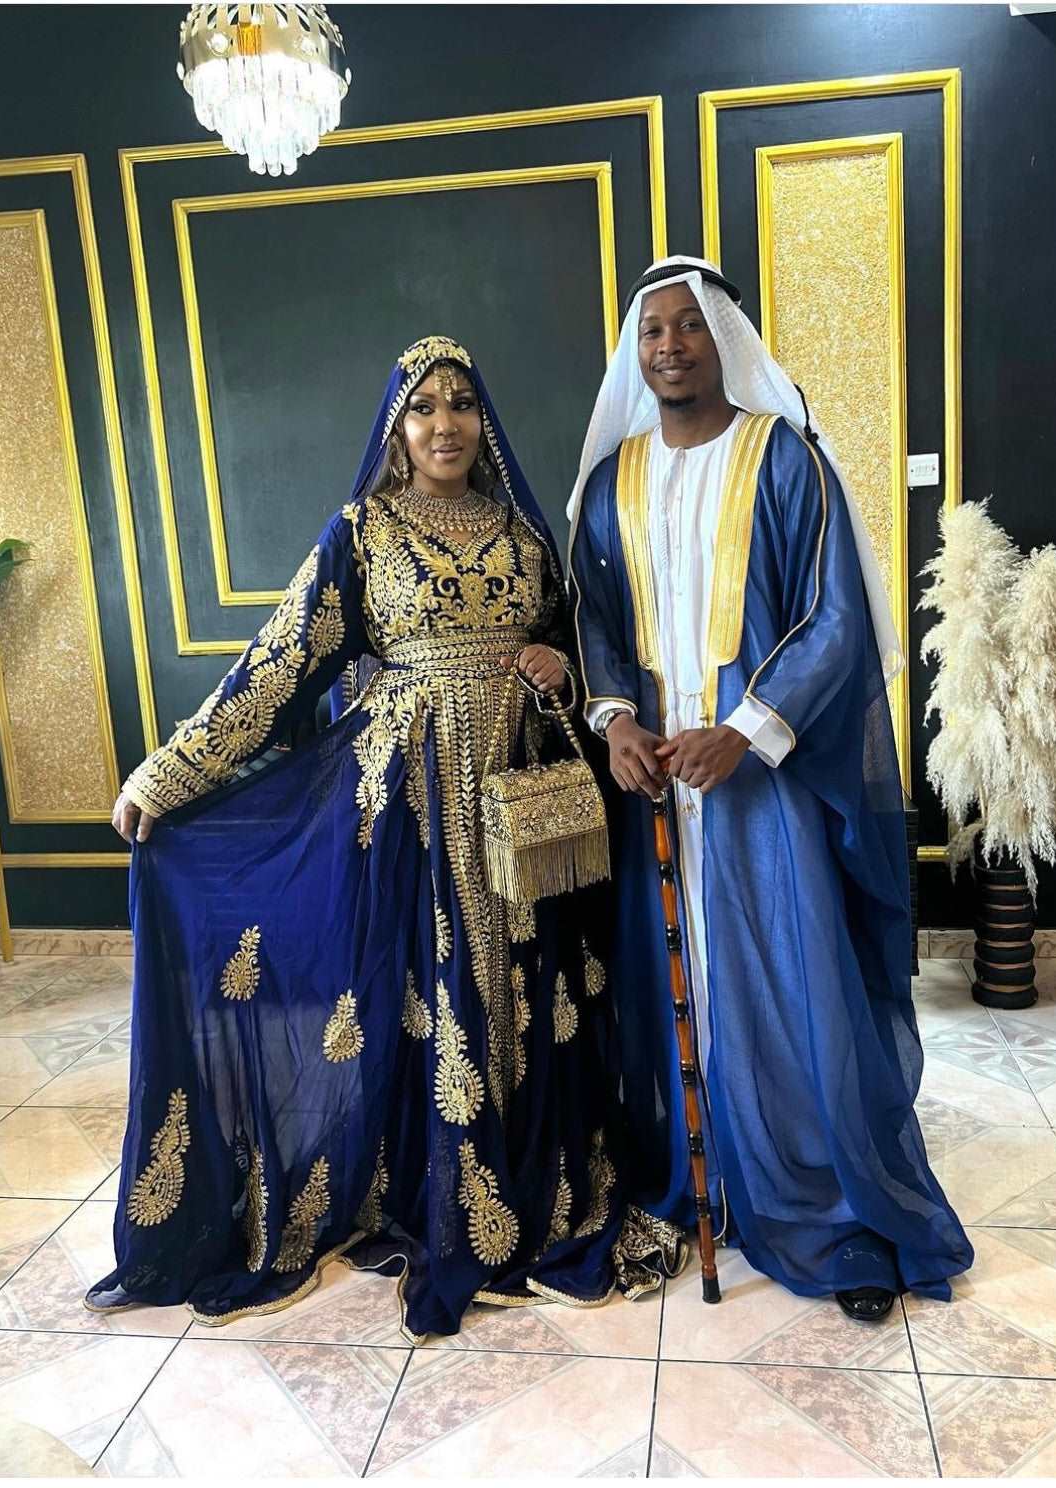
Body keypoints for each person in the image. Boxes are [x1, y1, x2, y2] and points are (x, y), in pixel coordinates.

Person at [88, 335, 681, 1341]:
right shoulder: (360, 532)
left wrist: (557, 665)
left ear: (482, 418)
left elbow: (579, 645)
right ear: (397, 428)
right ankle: (435, 1185)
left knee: (532, 988)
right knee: (428, 993)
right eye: (423, 407)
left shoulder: (524, 533)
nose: (445, 424)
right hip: (411, 804)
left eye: (460, 403)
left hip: (523, 806)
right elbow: (279, 663)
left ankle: (530, 1180)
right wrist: (171, 771)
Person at [569, 257, 973, 1320]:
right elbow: (595, 620)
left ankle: (827, 1206)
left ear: (723, 339)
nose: (668, 346)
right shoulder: (610, 482)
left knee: (793, 989)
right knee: (671, 987)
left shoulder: (785, 459)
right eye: (651, 331)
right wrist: (615, 721)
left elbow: (837, 618)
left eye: (687, 327)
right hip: (654, 787)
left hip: (761, 787)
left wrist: (745, 732)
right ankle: (695, 1184)